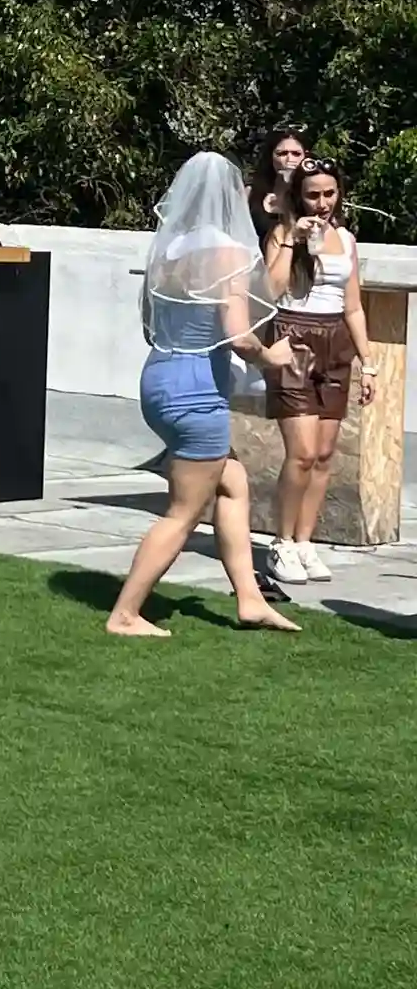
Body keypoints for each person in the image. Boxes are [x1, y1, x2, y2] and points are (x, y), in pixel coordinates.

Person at [106, 152, 300, 639]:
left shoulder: (168, 251)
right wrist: (271, 358)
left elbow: (151, 325)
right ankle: (125, 613)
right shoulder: (229, 253)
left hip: (159, 379)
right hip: (196, 392)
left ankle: (250, 599)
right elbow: (239, 337)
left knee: (232, 482)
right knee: (184, 512)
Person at [263, 158, 376, 586]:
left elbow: (353, 306)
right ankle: (282, 543)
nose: (323, 203)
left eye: (330, 193)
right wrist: (292, 239)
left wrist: (369, 363)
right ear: (298, 196)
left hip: (335, 343)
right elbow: (270, 290)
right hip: (293, 337)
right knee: (303, 453)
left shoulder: (345, 239)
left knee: (325, 454)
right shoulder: (281, 234)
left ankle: (305, 541)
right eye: (313, 195)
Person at [248, 125, 307, 246]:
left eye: (296, 154)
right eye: (282, 153)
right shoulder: (251, 193)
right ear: (271, 156)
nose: (289, 159)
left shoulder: (313, 194)